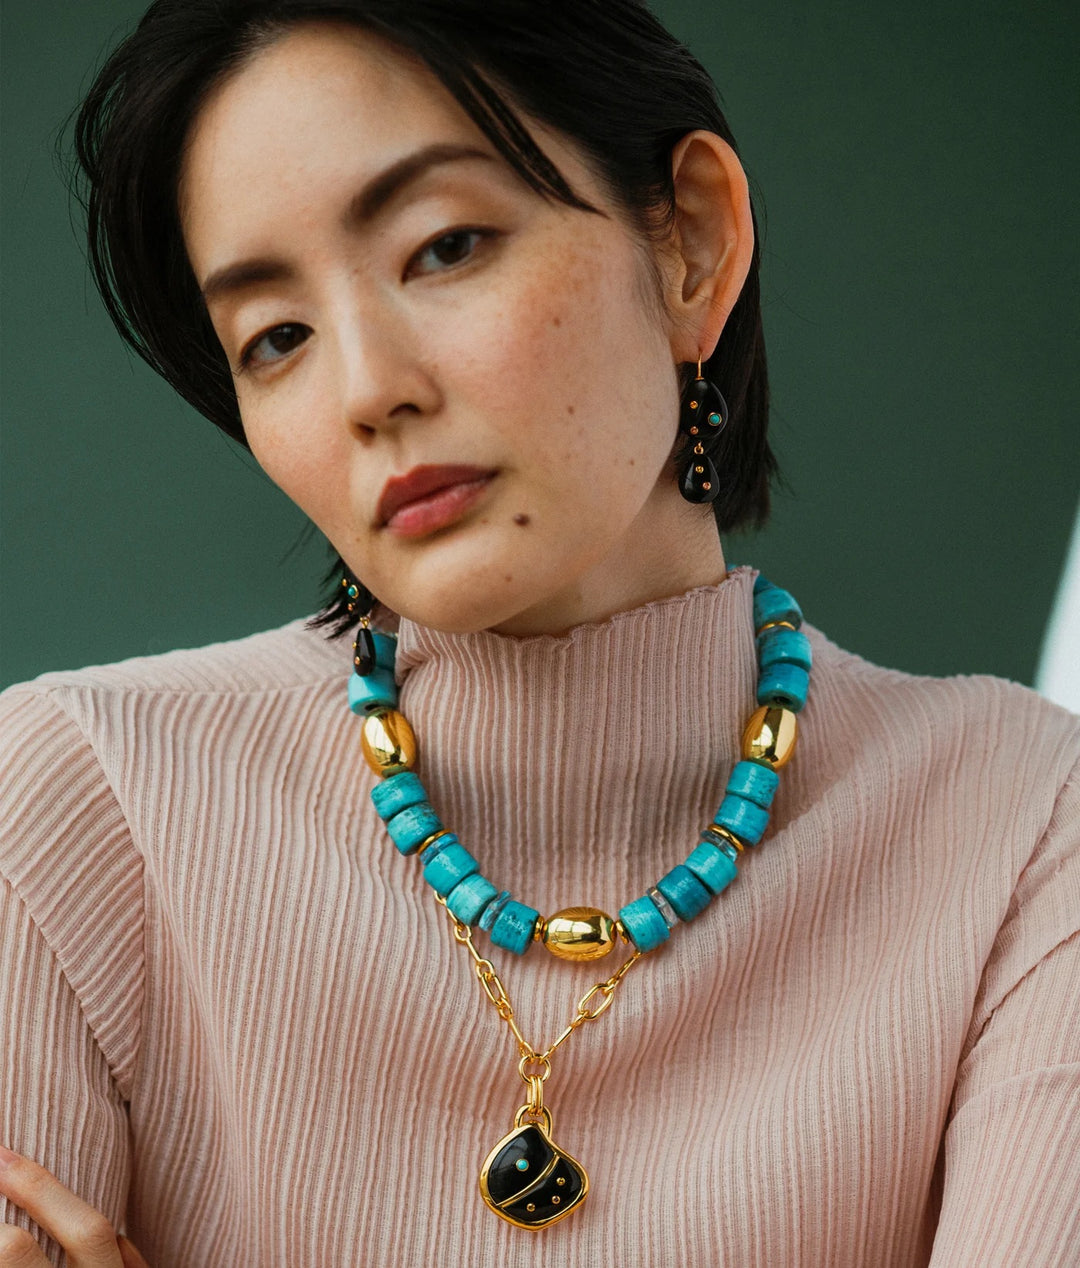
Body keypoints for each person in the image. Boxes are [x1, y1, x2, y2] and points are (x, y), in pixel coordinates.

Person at [1, 1, 1077, 1264]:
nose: (367, 387)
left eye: (444, 246)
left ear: (693, 242)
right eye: (275, 336)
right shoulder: (76, 809)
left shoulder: (1023, 826)